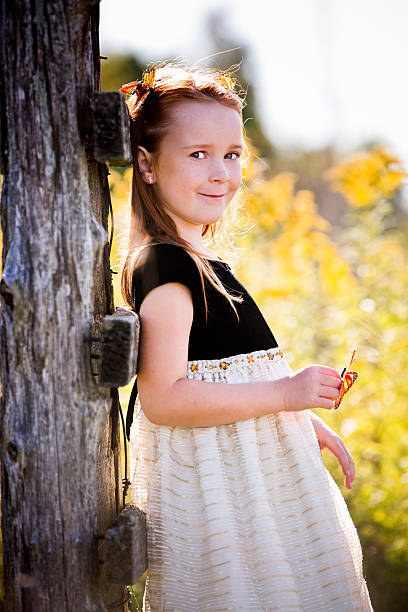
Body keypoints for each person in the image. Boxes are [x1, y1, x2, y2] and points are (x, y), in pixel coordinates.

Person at [120, 62, 373, 612]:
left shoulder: (202, 263)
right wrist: (283, 394)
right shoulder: (164, 266)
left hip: (255, 496)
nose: (221, 172)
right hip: (226, 510)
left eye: (232, 154)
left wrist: (296, 417)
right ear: (146, 163)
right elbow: (166, 397)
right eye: (198, 154)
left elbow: (225, 372)